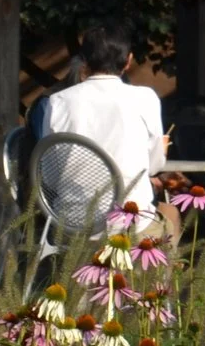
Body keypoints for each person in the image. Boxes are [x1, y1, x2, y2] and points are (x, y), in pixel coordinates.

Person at [35, 21, 168, 227]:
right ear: (128, 60)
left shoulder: (58, 101)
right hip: (130, 221)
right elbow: (153, 166)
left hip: (71, 222)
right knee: (172, 216)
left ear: (84, 61)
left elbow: (50, 178)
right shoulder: (146, 98)